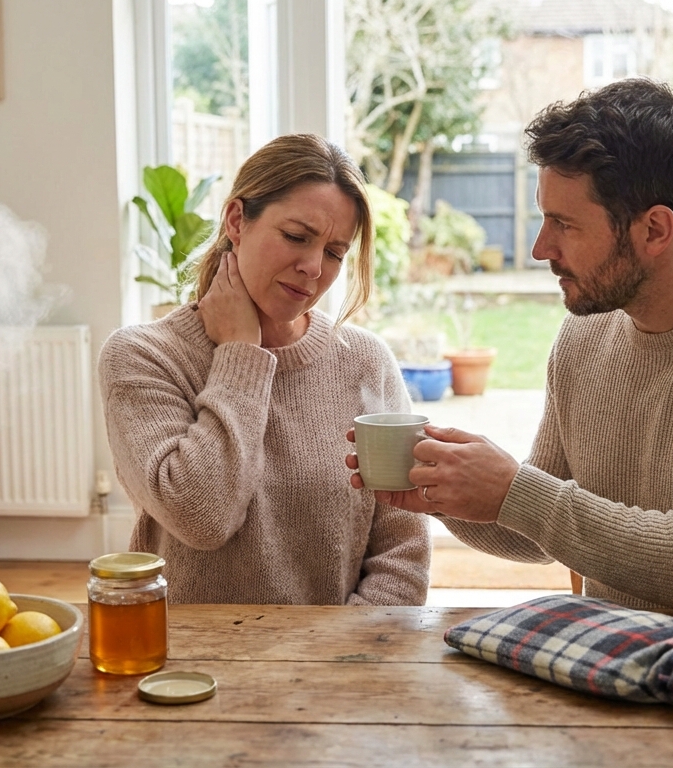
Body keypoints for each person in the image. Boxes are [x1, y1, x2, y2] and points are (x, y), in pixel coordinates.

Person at [348, 79, 673, 622]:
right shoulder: (587, 336)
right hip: (617, 666)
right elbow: (541, 534)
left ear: (655, 229)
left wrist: (517, 492)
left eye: (564, 224)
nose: (541, 249)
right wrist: (442, 490)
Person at [100, 133, 429, 605]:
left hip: (336, 665)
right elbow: (203, 517)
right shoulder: (144, 357)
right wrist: (240, 355)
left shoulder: (365, 361)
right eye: (297, 237)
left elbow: (403, 546)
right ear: (237, 220)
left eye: (335, 252)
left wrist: (343, 649)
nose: (314, 267)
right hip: (193, 671)